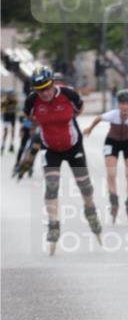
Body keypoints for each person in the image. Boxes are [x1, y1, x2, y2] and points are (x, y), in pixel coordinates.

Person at [23, 66, 102, 252]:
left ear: (53, 83)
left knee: (84, 185)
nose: (44, 93)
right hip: (50, 148)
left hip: (73, 146)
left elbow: (80, 108)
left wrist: (65, 119)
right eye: (39, 90)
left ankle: (90, 210)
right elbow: (28, 115)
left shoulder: (68, 94)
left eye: (47, 87)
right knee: (51, 185)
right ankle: (53, 224)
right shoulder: (32, 101)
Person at [83, 89, 128, 224]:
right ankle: (114, 200)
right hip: (112, 142)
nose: (125, 107)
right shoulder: (113, 114)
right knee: (111, 173)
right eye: (122, 103)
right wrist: (90, 128)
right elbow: (98, 118)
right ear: (118, 104)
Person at [2, 89, 18, 153]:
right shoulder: (5, 101)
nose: (11, 97)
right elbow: (2, 109)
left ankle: (11, 145)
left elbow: (16, 109)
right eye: (10, 96)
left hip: (12, 116)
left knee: (13, 131)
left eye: (12, 95)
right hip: (6, 116)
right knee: (5, 131)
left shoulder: (14, 100)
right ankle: (3, 145)